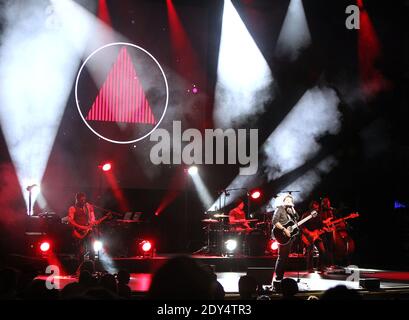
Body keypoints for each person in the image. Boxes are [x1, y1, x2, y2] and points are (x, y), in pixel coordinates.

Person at [271, 194, 299, 281]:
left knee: (285, 257)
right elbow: (274, 221)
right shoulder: (279, 209)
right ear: (283, 201)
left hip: (289, 237)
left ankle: (281, 275)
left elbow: (297, 218)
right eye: (287, 200)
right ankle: (278, 276)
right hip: (281, 234)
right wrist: (284, 229)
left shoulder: (290, 210)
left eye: (290, 201)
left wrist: (293, 210)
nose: (289, 202)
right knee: (281, 257)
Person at [301, 200, 331, 272]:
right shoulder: (306, 215)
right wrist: (309, 233)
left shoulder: (318, 216)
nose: (316, 210)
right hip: (308, 236)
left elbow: (321, 226)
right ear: (311, 208)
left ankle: (320, 267)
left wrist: (327, 229)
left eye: (317, 209)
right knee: (310, 251)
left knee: (322, 250)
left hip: (317, 236)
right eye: (315, 209)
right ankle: (309, 268)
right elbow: (302, 227)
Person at [68, 192, 96, 263]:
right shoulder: (72, 208)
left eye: (84, 200)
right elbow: (71, 220)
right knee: (81, 251)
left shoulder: (88, 207)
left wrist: (92, 222)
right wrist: (79, 226)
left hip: (88, 230)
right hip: (79, 231)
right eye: (81, 200)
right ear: (77, 199)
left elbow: (92, 218)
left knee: (92, 249)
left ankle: (92, 266)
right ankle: (80, 267)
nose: (83, 201)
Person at [320, 197, 335, 267]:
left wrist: (331, 224)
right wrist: (325, 222)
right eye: (327, 203)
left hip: (329, 230)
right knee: (325, 247)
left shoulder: (330, 210)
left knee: (330, 247)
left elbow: (332, 218)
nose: (328, 204)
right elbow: (319, 220)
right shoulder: (321, 210)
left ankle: (331, 263)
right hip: (323, 230)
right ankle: (324, 264)